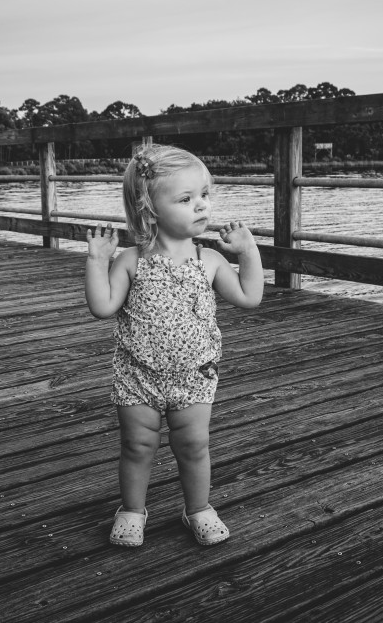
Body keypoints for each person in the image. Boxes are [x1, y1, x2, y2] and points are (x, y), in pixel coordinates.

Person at [84, 143, 263, 547]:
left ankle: (198, 508)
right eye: (186, 199)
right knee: (136, 445)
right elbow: (102, 307)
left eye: (204, 195)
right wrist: (97, 261)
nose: (201, 206)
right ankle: (132, 509)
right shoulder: (131, 260)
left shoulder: (210, 260)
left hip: (193, 377)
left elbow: (250, 297)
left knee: (194, 445)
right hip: (137, 377)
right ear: (150, 209)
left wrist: (248, 252)